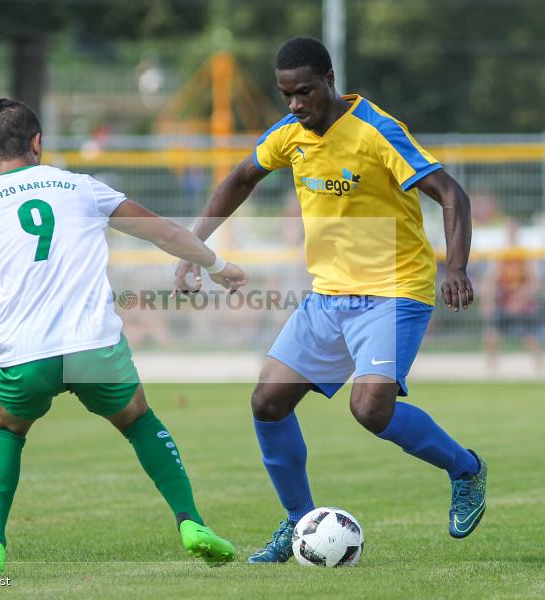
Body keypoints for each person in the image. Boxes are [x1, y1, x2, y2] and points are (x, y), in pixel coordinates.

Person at [174, 38, 488, 563]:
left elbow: (453, 194)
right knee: (266, 402)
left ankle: (466, 469)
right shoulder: (289, 134)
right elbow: (239, 178)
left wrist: (454, 267)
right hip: (329, 296)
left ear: (329, 81)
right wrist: (193, 247)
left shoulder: (377, 130)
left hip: (394, 291)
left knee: (369, 408)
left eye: (304, 92)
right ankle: (300, 524)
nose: (295, 104)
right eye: (285, 95)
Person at [0, 98, 246, 578]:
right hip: (93, 347)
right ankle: (190, 522)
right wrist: (217, 266)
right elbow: (161, 233)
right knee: (139, 421)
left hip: (23, 355)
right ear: (37, 143)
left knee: (6, 431)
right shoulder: (79, 187)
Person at [481, 218, 545, 376]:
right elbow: (489, 280)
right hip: (504, 301)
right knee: (491, 334)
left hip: (523, 302)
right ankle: (491, 371)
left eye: (513, 231)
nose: (510, 234)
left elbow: (534, 281)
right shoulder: (501, 255)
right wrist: (487, 301)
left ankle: (541, 370)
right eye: (508, 231)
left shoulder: (524, 254)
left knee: (530, 337)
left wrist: (520, 299)